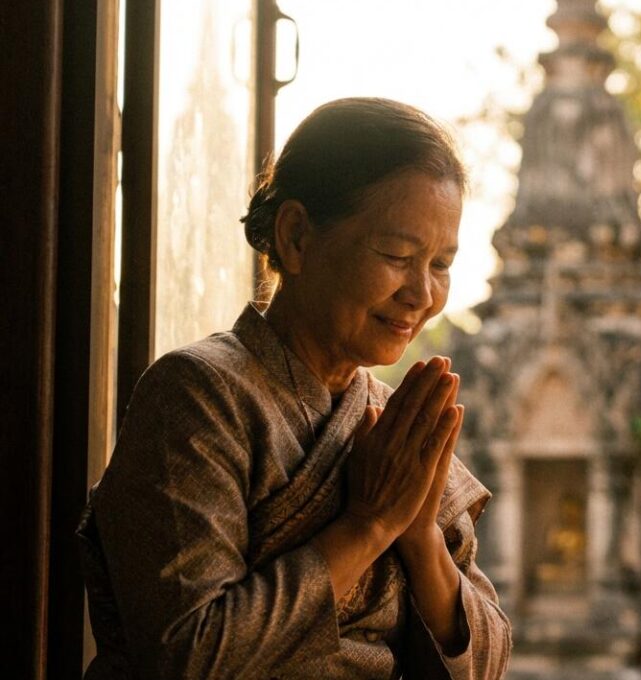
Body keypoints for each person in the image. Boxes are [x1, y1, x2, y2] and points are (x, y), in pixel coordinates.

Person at [78, 97, 510, 679]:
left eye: (440, 265)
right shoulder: (198, 394)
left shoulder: (391, 426)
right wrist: (368, 527)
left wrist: (420, 534)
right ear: (297, 237)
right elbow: (189, 658)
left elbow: (485, 665)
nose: (422, 294)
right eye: (398, 255)